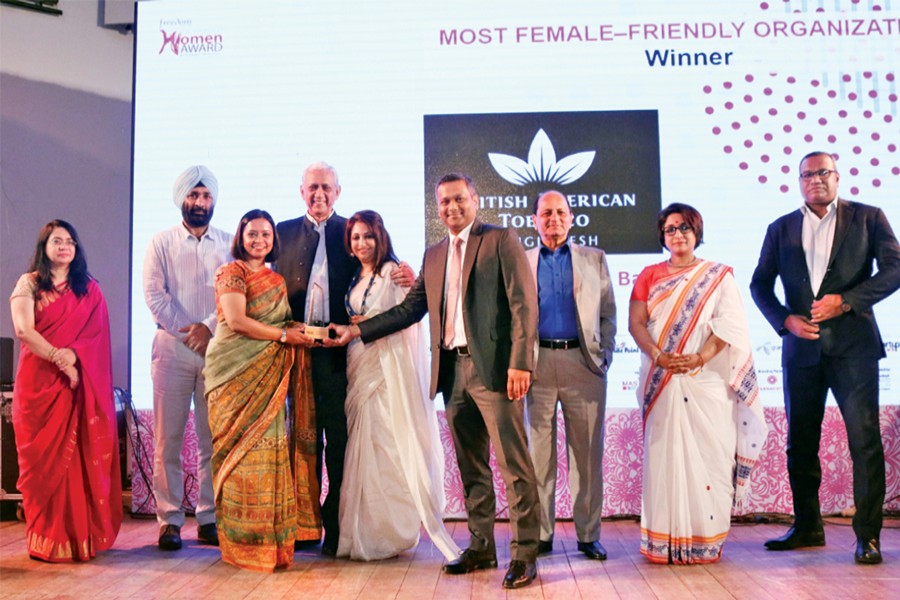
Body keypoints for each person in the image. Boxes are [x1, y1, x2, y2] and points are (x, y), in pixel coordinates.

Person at [332, 173, 541, 589]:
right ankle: (481, 545)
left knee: (513, 465)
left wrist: (521, 363)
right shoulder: (433, 255)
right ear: (437, 207)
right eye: (444, 202)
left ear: (475, 200)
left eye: (459, 199)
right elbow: (410, 310)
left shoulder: (501, 241)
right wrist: (357, 330)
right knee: (471, 467)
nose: (452, 207)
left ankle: (525, 555)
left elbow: (523, 305)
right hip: (452, 373)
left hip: (496, 373)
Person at [750, 151, 900, 564]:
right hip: (801, 350)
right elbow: (759, 284)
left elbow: (894, 269)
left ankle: (867, 537)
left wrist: (847, 302)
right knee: (800, 444)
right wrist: (785, 321)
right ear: (798, 181)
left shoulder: (869, 218)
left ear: (837, 177)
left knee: (864, 444)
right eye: (807, 174)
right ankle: (808, 526)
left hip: (854, 349)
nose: (815, 179)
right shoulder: (780, 228)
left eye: (823, 172)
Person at [274, 161, 413, 555]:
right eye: (312, 188)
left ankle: (337, 526)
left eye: (326, 188)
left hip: (341, 356)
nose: (319, 195)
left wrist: (407, 274)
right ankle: (303, 527)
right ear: (301, 191)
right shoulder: (281, 234)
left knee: (339, 443)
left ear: (338, 192)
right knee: (301, 444)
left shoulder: (351, 232)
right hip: (297, 357)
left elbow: (383, 267)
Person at [628, 203, 767, 565]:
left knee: (711, 457)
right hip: (662, 380)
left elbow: (730, 327)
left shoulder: (718, 276)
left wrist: (700, 358)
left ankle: (705, 541)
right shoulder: (648, 274)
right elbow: (637, 324)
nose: (678, 234)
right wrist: (659, 356)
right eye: (671, 228)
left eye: (685, 228)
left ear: (697, 233)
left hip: (706, 381)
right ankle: (663, 542)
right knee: (664, 457)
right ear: (662, 235)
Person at [336, 210, 461, 561]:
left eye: (368, 237)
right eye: (356, 237)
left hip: (387, 374)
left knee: (386, 448)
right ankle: (360, 532)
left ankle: (389, 533)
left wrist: (367, 326)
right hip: (358, 367)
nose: (362, 243)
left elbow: (410, 319)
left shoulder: (397, 272)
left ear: (381, 237)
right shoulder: (354, 275)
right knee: (360, 450)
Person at [204, 209, 313, 571]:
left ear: (273, 240)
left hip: (267, 380)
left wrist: (307, 333)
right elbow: (236, 321)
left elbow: (282, 323)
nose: (259, 240)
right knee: (237, 457)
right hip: (231, 376)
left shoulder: (277, 281)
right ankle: (239, 545)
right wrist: (285, 336)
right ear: (241, 236)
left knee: (266, 456)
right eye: (252, 234)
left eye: (266, 235)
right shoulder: (230, 272)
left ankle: (269, 544)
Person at [10, 220, 122, 562]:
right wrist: (62, 361)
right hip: (38, 386)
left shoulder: (89, 290)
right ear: (44, 247)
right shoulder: (28, 284)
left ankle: (76, 539)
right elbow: (23, 330)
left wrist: (75, 358)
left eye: (70, 242)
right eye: (57, 241)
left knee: (75, 462)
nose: (64, 247)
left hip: (76, 389)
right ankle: (43, 540)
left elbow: (97, 339)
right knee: (39, 467)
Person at [143, 165, 231, 550]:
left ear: (214, 201)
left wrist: (208, 328)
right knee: (168, 439)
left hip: (216, 349)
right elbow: (154, 295)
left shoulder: (230, 244)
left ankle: (209, 517)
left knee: (213, 439)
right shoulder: (160, 242)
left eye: (206, 196)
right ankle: (170, 519)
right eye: (193, 196)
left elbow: (236, 295)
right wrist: (190, 331)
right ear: (181, 198)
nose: (200, 203)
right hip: (172, 349)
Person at [525, 191, 616, 562]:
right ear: (534, 220)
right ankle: (542, 535)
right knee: (538, 457)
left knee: (587, 455)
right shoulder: (522, 259)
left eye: (560, 212)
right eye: (546, 213)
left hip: (584, 365)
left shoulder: (594, 259)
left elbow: (608, 313)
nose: (553, 219)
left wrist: (604, 356)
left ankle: (588, 535)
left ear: (572, 217)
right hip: (537, 366)